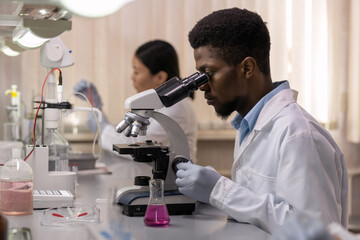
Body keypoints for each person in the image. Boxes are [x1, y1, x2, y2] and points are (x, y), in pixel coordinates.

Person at [175, 8, 348, 234]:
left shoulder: (299, 134)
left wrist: (219, 190)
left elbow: (317, 232)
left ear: (247, 68)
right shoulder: (248, 126)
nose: (201, 85)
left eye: (208, 73)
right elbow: (259, 206)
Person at [74, 40, 197, 161]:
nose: (132, 77)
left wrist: (102, 128)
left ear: (160, 77)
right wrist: (97, 108)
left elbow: (136, 144)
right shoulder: (156, 103)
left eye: (136, 71)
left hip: (173, 179)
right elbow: (128, 137)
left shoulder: (177, 106)